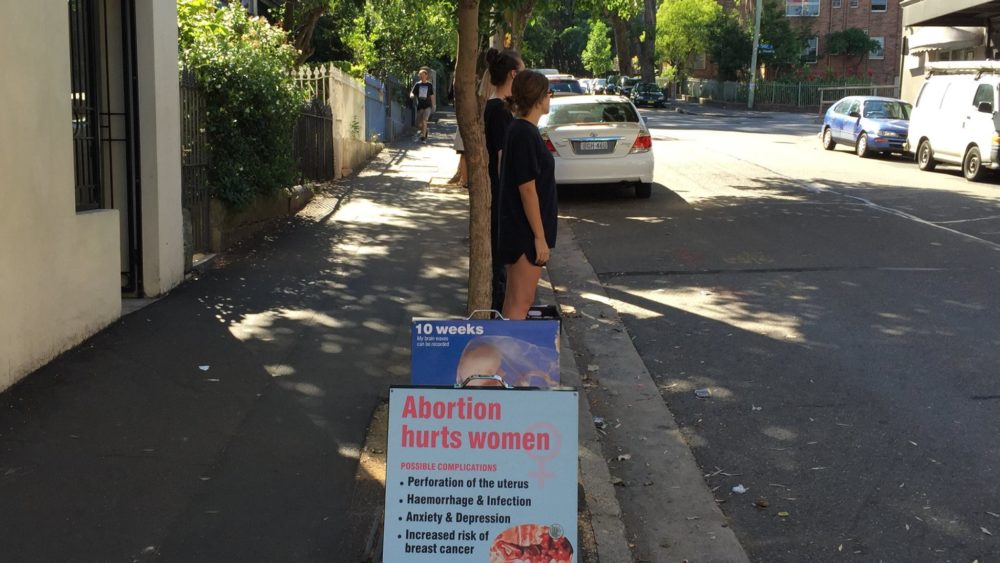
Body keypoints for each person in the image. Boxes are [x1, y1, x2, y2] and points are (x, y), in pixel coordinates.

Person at [496, 70, 555, 321]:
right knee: (521, 304)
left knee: (515, 302)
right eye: (548, 92)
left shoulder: (521, 130)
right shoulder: (523, 133)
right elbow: (527, 189)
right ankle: (507, 360)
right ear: (539, 98)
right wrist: (539, 238)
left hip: (519, 230)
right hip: (524, 235)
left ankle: (505, 358)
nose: (550, 97)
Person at [482, 48, 523, 314]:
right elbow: (500, 158)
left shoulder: (500, 108)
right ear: (512, 74)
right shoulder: (498, 111)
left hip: (501, 196)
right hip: (501, 198)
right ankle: (498, 317)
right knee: (501, 268)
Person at [410, 68, 435, 142]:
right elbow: (412, 92)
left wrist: (434, 105)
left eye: (423, 75)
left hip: (428, 106)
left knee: (424, 120)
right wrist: (411, 95)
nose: (421, 77)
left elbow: (432, 96)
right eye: (420, 75)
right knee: (420, 124)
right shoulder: (418, 84)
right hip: (420, 106)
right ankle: (425, 130)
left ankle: (423, 137)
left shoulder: (429, 85)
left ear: (426, 76)